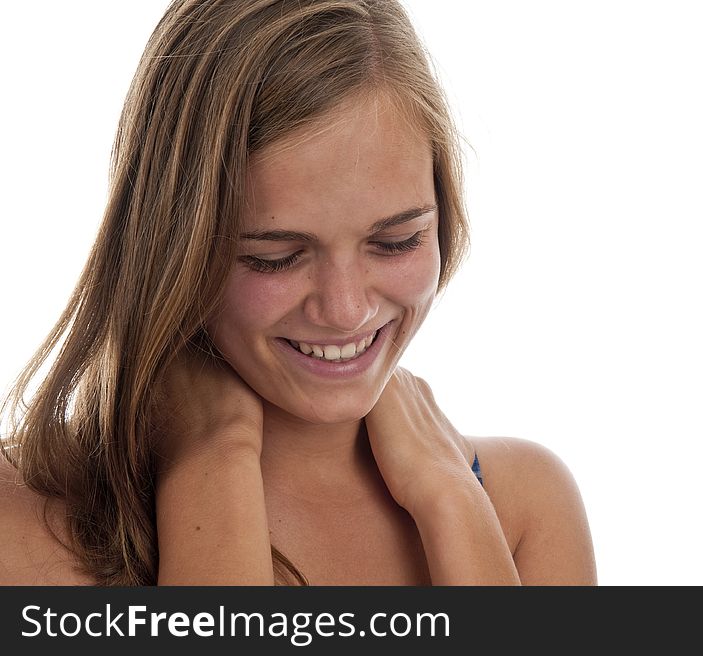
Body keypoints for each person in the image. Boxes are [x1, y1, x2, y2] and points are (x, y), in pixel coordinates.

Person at [0, 0, 596, 586]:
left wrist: (453, 500)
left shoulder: (524, 506)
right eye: (274, 258)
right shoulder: (26, 518)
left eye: (396, 241)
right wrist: (213, 460)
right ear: (171, 246)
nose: (346, 311)